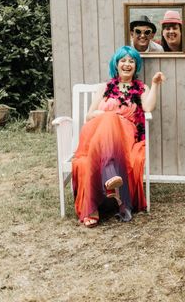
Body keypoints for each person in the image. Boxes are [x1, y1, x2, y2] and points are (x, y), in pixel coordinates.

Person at [71, 45, 165, 228]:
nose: (127, 64)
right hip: (96, 134)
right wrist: (105, 116)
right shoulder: (105, 87)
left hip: (125, 136)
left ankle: (92, 209)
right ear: (116, 64)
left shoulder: (141, 88)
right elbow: (89, 116)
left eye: (131, 61)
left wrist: (155, 84)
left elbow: (148, 108)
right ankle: (110, 178)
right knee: (109, 119)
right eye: (123, 60)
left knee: (110, 122)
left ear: (136, 66)